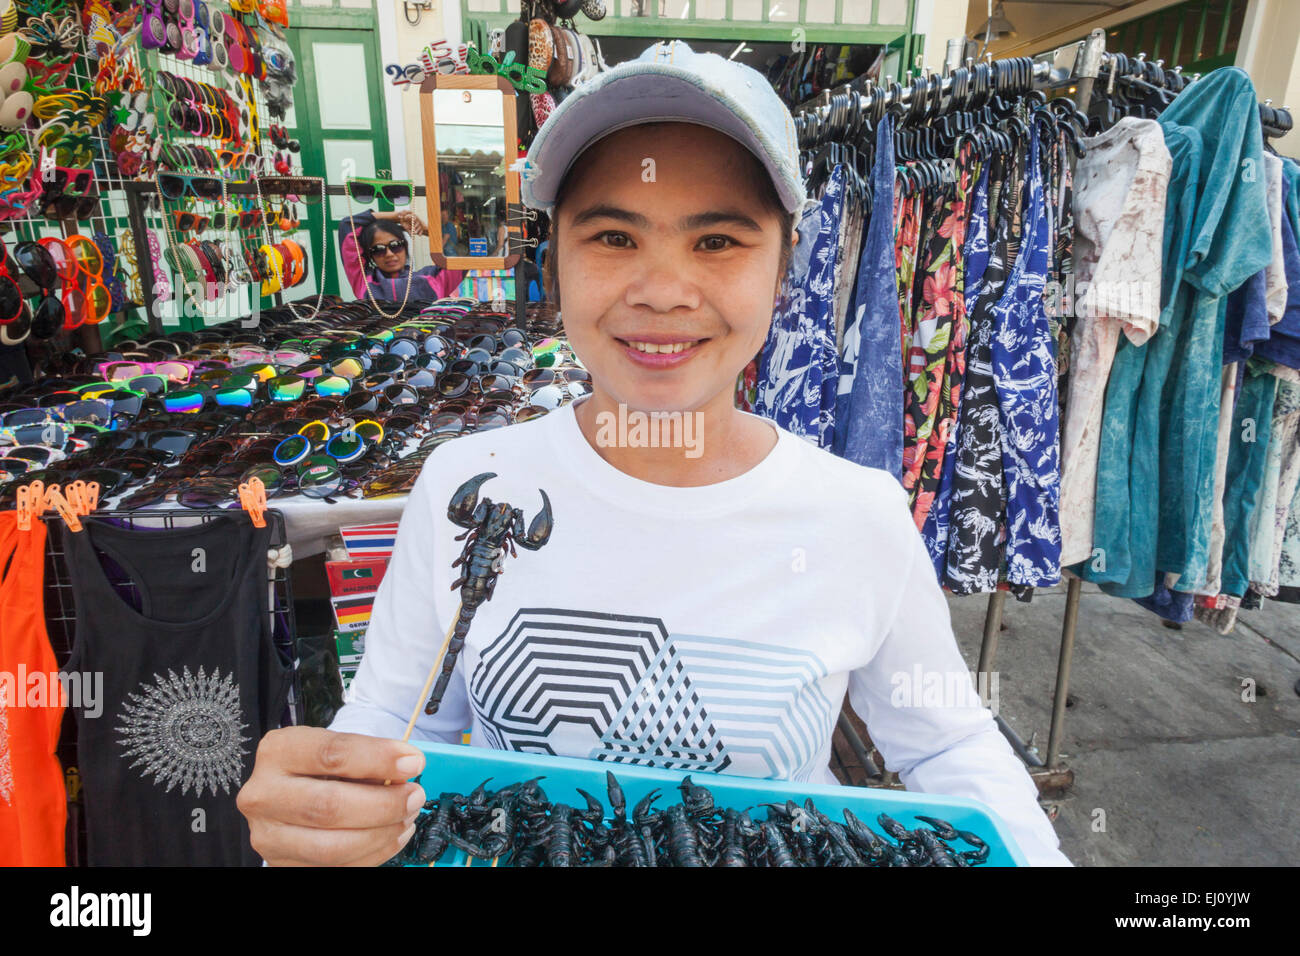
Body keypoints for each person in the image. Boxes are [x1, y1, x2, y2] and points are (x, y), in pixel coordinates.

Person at [237, 41, 1071, 867]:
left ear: (784, 266)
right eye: (612, 236)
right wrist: (326, 807)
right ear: (553, 259)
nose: (664, 291)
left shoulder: (858, 514)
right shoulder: (470, 486)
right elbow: (395, 721)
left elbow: (949, 746)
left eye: (718, 242)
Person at [338, 208, 463, 303]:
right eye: (379, 249)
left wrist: (425, 230)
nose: (389, 254)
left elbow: (467, 257)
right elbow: (348, 224)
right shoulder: (364, 281)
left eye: (395, 245)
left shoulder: (432, 278)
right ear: (371, 255)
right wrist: (397, 216)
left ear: (405, 246)